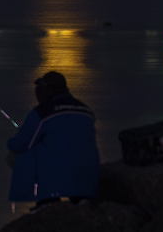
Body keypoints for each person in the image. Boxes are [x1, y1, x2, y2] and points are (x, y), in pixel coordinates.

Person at [6, 71, 100, 207]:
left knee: (15, 156)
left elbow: (19, 145)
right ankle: (79, 198)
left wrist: (10, 140)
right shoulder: (86, 110)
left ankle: (47, 199)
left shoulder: (43, 112)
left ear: (47, 90)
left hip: (57, 172)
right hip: (89, 173)